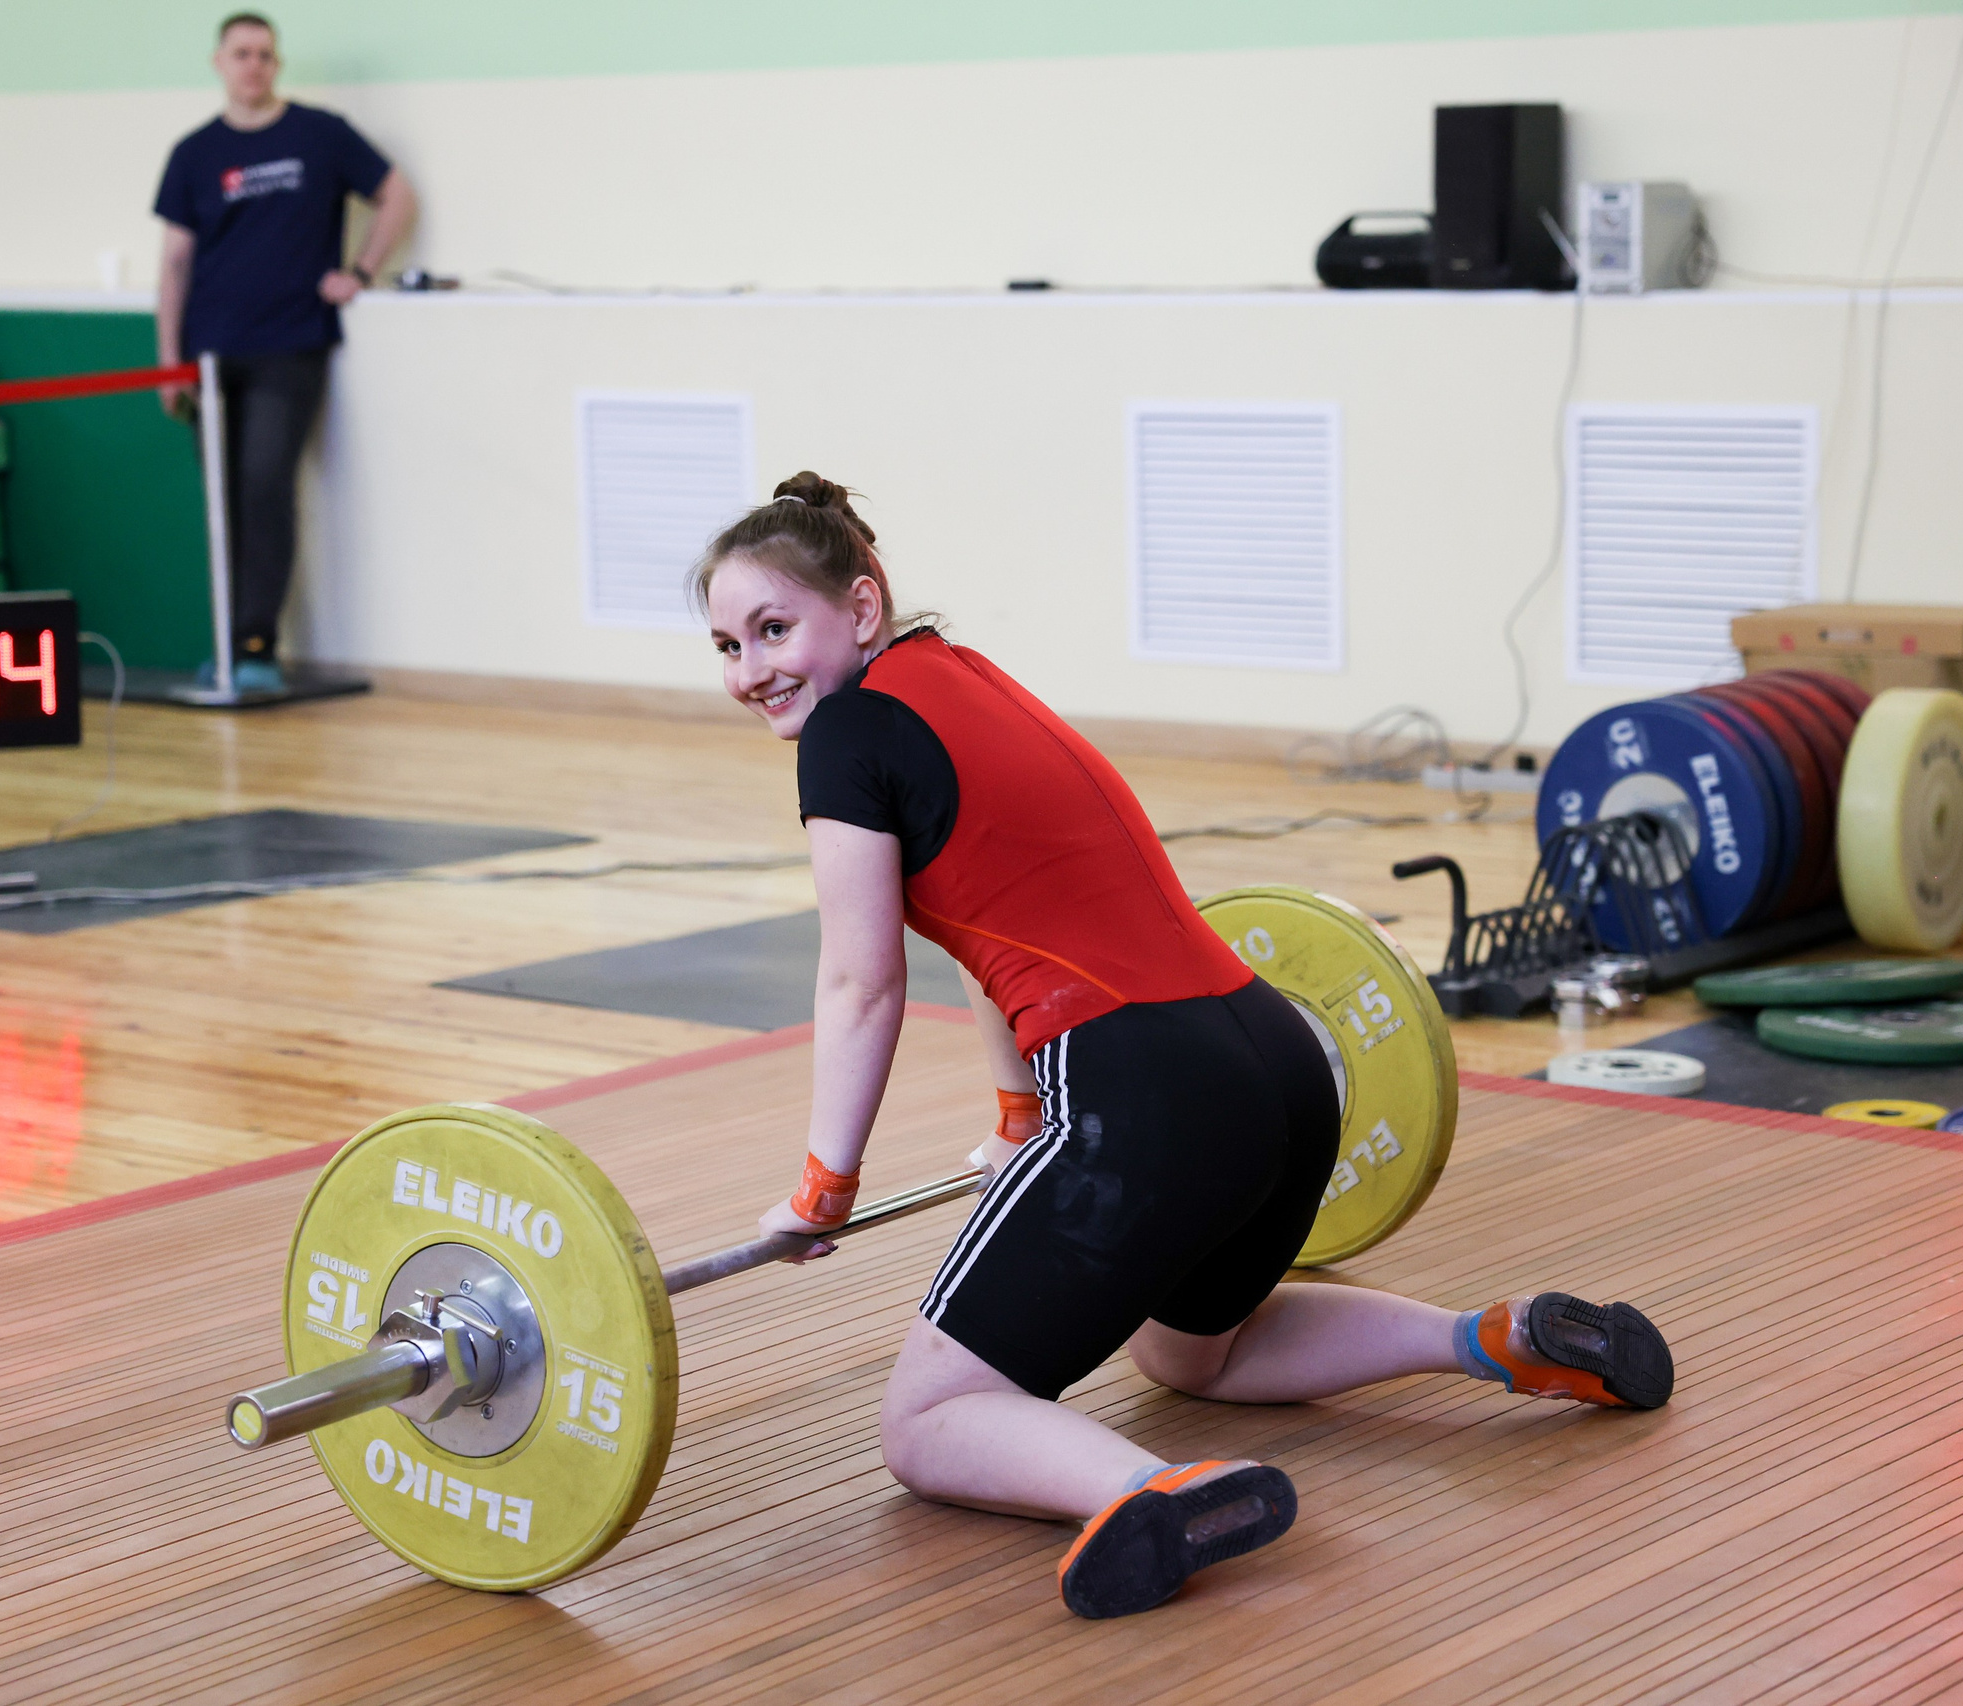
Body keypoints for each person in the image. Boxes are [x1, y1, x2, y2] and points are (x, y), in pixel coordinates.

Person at [701, 472, 1676, 1621]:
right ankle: (1490, 1337)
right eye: (723, 642)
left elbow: (861, 978)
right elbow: (984, 926)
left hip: (1143, 1096)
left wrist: (823, 1187)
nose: (750, 667)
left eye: (775, 628)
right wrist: (1017, 1120)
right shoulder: (962, 680)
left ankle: (1151, 1493)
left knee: (922, 1422)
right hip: (1278, 1065)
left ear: (860, 609)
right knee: (1193, 1355)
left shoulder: (846, 734)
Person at [152, 10, 418, 693]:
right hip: (209, 357)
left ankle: (256, 643)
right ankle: (222, 635)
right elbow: (175, 264)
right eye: (241, 53)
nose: (254, 65)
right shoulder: (194, 154)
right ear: (219, 63)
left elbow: (396, 194)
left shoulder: (318, 135)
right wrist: (168, 361)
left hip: (290, 345)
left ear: (277, 64)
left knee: (265, 486)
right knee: (222, 495)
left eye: (265, 54)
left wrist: (359, 270)